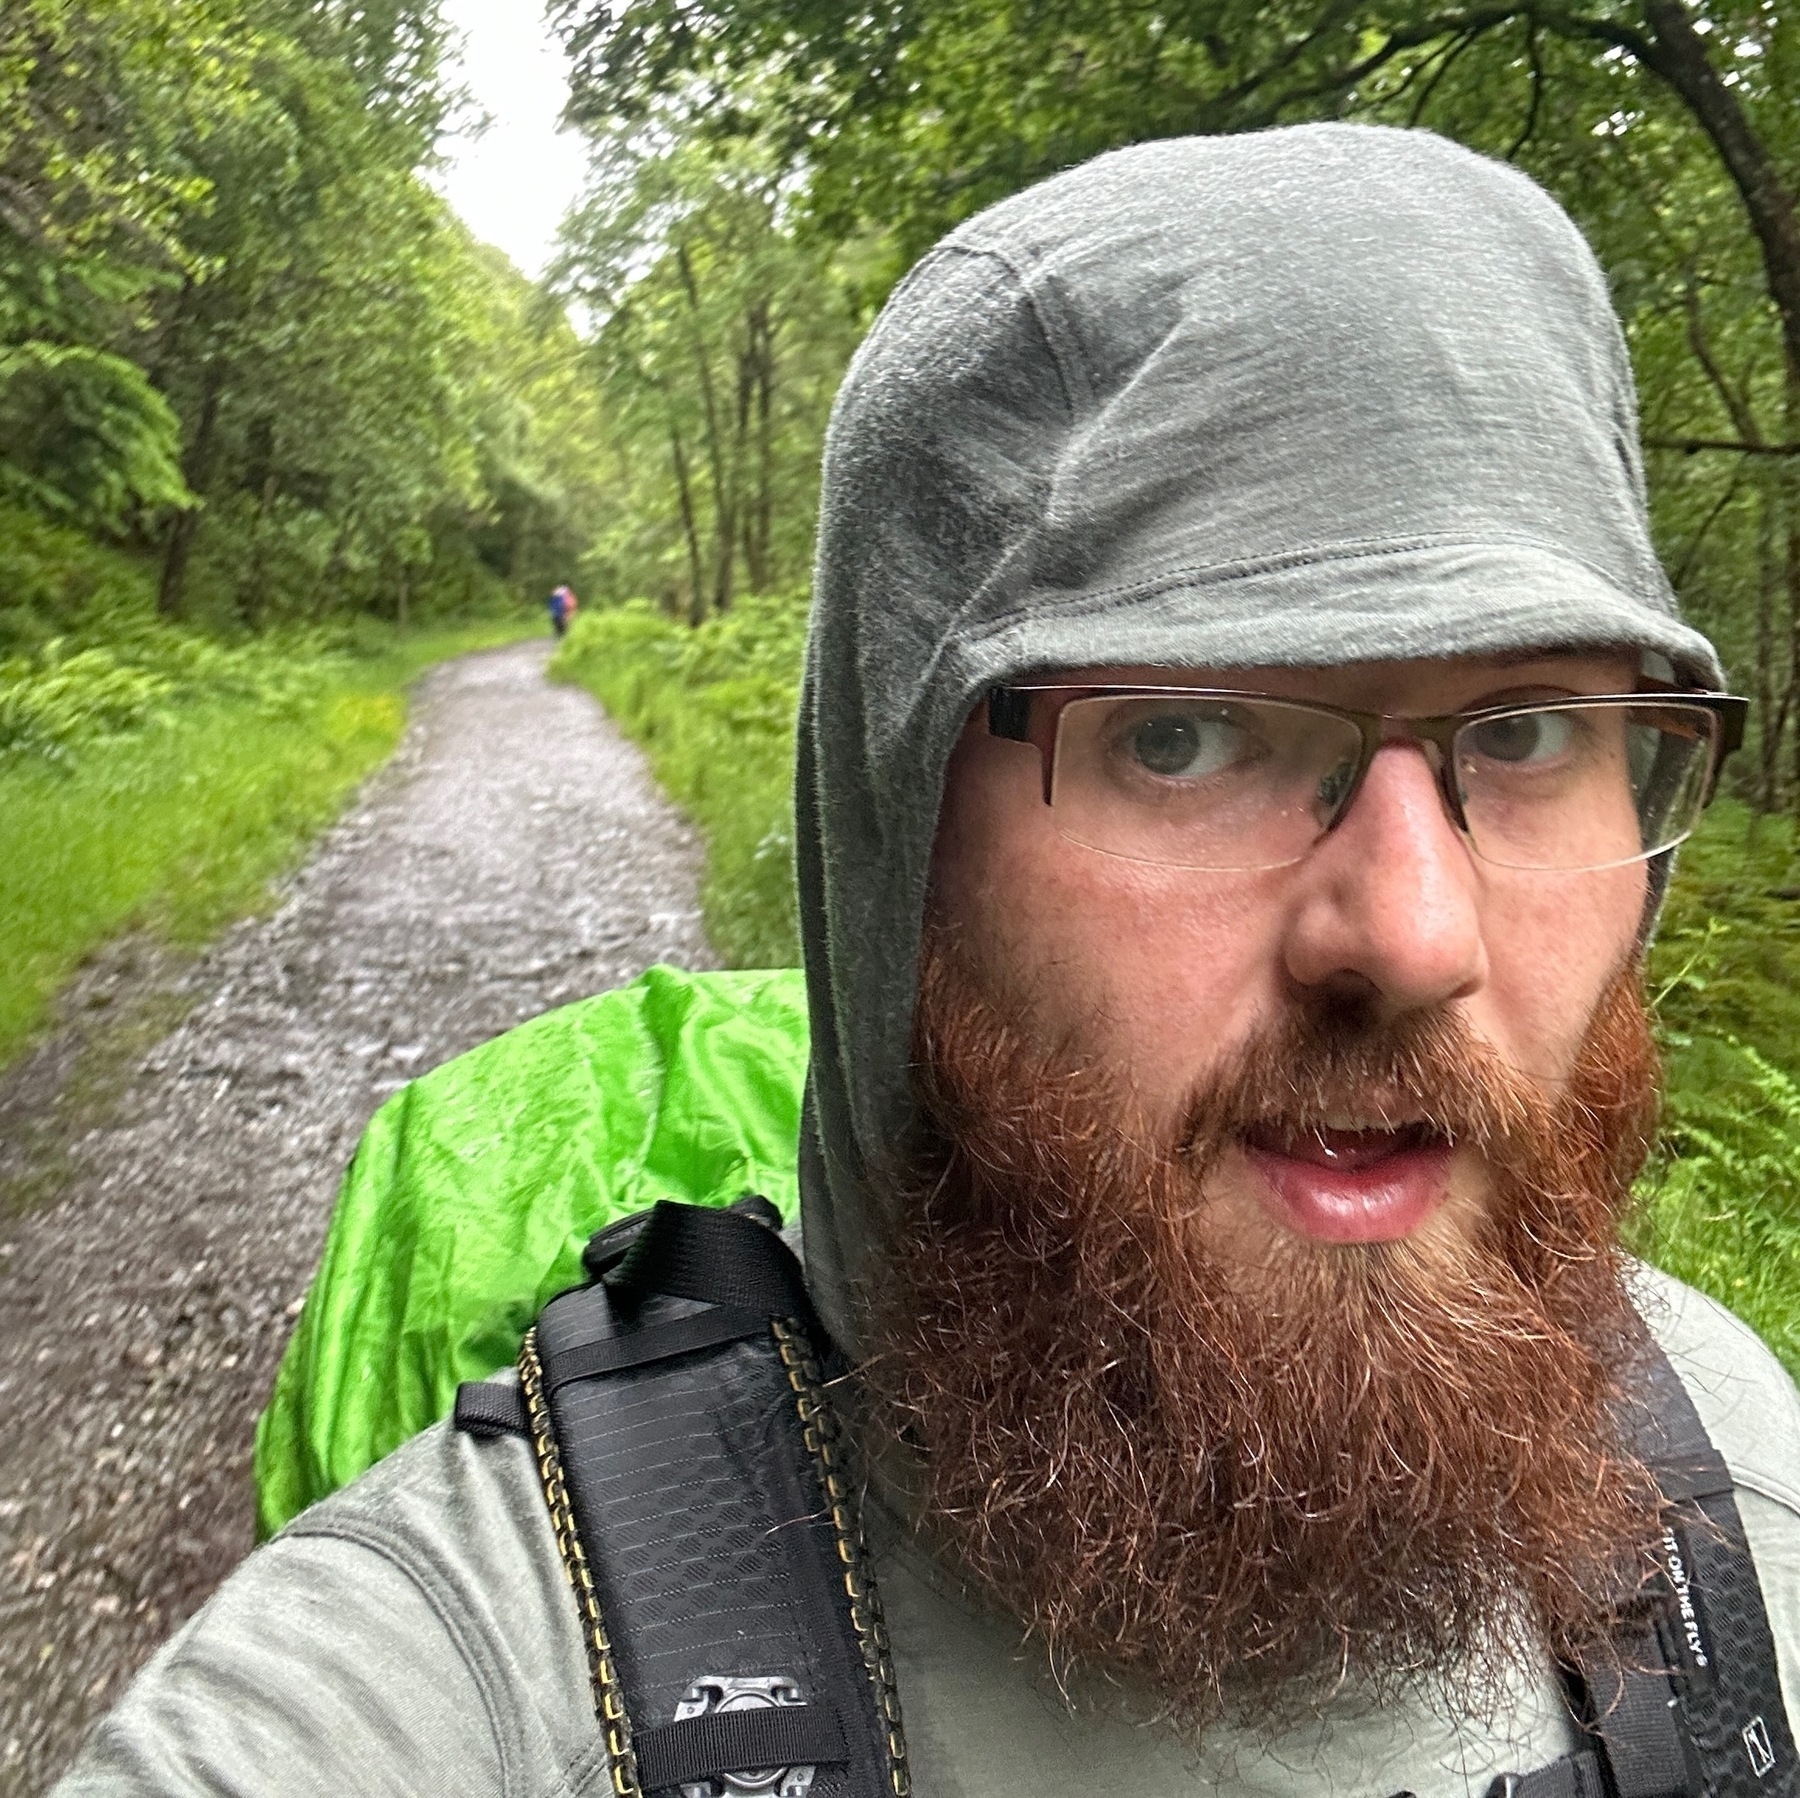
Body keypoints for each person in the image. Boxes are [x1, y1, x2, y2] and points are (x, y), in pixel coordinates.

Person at [54, 124, 1800, 1798]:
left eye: (1533, 730)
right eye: (1184, 736)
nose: (1415, 932)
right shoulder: (476, 1677)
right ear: (900, 849)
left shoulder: (1743, 1480)